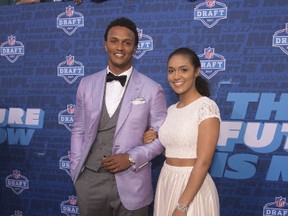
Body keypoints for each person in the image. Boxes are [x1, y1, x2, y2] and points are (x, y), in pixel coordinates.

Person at [70, 17, 167, 216]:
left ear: (135, 48)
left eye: (127, 42)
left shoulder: (151, 89)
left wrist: (131, 158)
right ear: (105, 45)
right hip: (89, 181)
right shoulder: (86, 84)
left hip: (133, 181)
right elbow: (78, 129)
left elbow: (162, 139)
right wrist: (76, 170)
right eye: (114, 40)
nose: (119, 47)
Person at [143, 47, 220, 216]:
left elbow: (204, 162)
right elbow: (175, 147)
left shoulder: (206, 106)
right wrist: (154, 138)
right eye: (171, 71)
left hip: (192, 187)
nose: (176, 76)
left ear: (196, 71)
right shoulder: (170, 110)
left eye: (183, 70)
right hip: (167, 181)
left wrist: (182, 206)